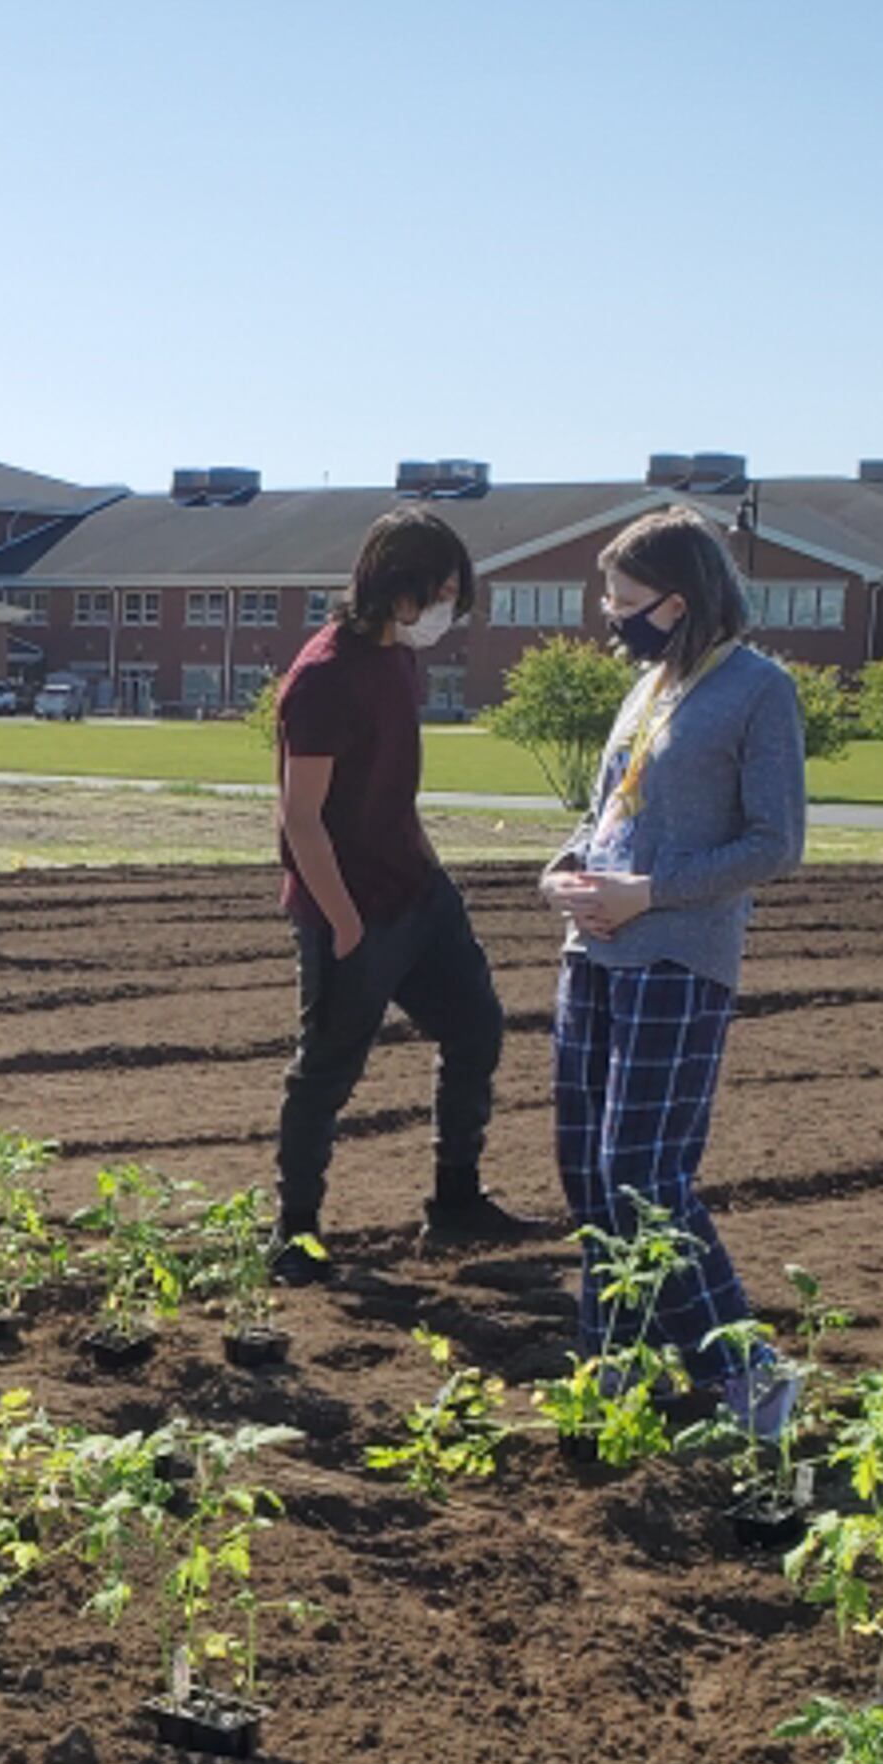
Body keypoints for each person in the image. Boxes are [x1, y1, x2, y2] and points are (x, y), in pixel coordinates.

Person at [538, 503, 807, 1431]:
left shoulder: (758, 691)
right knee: (585, 1170)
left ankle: (750, 1371)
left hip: (676, 959)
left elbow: (776, 844)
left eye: (624, 599)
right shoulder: (648, 687)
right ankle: (614, 1364)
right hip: (594, 954)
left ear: (680, 600)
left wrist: (648, 894)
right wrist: (565, 868)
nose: (611, 615)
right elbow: (609, 812)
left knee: (644, 1174)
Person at [266, 507, 528, 1283]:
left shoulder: (396, 661)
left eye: (455, 593)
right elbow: (301, 819)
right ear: (393, 585)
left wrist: (431, 869)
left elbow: (390, 791)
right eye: (438, 592)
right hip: (351, 910)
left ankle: (455, 1204)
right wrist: (345, 925)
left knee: (476, 1028)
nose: (445, 609)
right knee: (328, 1072)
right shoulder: (321, 678)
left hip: (418, 894)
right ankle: (297, 1236)